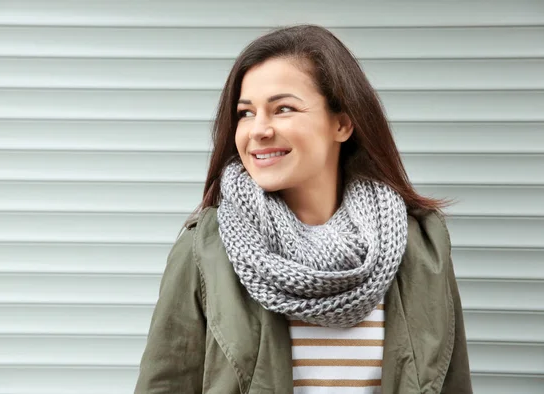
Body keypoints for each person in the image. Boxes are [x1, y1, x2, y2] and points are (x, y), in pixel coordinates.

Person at [134, 24, 472, 394]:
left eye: (283, 109)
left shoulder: (420, 247)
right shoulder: (205, 249)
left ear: (342, 123)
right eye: (246, 113)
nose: (258, 130)